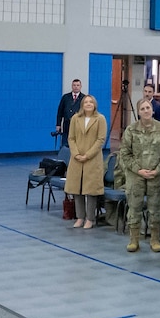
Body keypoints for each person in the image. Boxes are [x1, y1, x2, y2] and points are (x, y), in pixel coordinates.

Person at [119, 99, 160, 253]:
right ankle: (134, 240)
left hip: (156, 176)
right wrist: (138, 170)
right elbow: (125, 154)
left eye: (148, 108)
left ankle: (154, 239)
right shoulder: (131, 130)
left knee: (156, 209)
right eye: (143, 108)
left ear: (153, 110)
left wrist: (158, 170)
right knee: (134, 208)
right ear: (139, 112)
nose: (146, 111)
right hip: (136, 175)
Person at [64, 94, 107, 229]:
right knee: (77, 189)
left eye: (91, 102)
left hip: (92, 159)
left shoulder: (100, 119)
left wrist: (87, 155)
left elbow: (100, 140)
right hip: (76, 159)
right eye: (86, 102)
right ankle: (80, 217)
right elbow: (71, 138)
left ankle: (90, 218)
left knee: (90, 190)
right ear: (82, 104)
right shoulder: (75, 118)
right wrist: (76, 154)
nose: (88, 104)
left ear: (95, 104)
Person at [54, 79, 87, 148]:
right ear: (72, 86)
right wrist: (58, 124)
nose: (76, 87)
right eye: (74, 85)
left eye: (78, 85)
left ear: (81, 86)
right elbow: (60, 111)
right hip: (67, 124)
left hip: (79, 124)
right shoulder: (65, 97)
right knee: (65, 143)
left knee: (77, 143)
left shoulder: (84, 98)